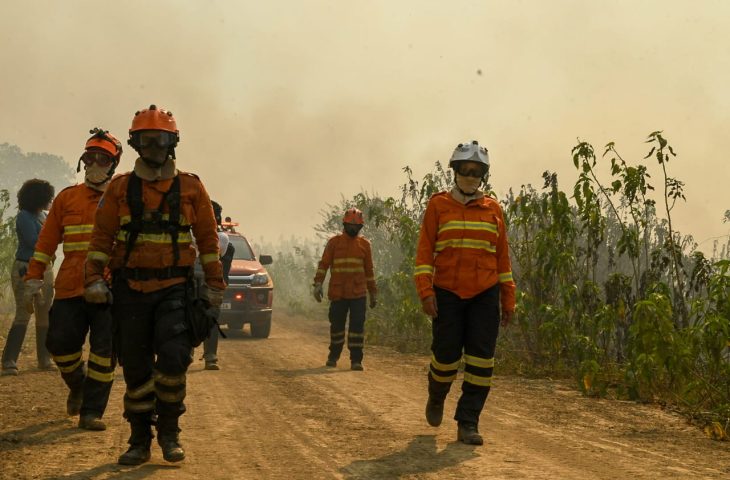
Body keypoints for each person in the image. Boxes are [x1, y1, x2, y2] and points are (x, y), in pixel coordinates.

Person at [84, 105, 224, 465]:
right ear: (136, 144)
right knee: (135, 367)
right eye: (146, 140)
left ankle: (170, 432)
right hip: (130, 290)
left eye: (161, 139)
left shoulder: (191, 187)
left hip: (174, 289)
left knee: (175, 359)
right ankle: (139, 439)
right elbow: (101, 240)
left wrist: (214, 288)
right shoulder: (119, 188)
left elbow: (208, 242)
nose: (154, 147)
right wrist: (93, 280)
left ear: (172, 142)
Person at [414, 140, 516, 445]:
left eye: (477, 171)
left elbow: (503, 260)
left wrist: (507, 299)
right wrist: (425, 292)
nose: (470, 176)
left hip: (485, 294)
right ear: (455, 171)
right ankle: (437, 394)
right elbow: (424, 254)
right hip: (446, 292)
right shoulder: (438, 205)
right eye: (465, 170)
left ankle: (468, 422)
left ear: (484, 175)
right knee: (445, 358)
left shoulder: (493, 209)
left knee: (482, 361)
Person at [24, 128, 123, 430]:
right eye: (89, 158)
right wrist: (34, 277)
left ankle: (92, 411)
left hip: (111, 289)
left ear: (113, 164)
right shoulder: (67, 199)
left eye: (102, 159)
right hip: (70, 286)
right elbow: (46, 243)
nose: (94, 164)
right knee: (59, 343)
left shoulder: (123, 198)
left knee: (104, 352)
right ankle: (78, 385)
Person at [1, 179, 55, 376]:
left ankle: (44, 358)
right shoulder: (24, 217)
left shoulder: (42, 215)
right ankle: (9, 361)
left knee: (44, 313)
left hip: (45, 267)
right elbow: (35, 241)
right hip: (26, 267)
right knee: (24, 313)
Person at [313, 207, 377, 371]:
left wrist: (373, 293)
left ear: (361, 227)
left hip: (358, 293)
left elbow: (369, 271)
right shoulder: (334, 243)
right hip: (338, 293)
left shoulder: (365, 245)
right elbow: (324, 265)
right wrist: (318, 284)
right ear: (345, 224)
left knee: (357, 328)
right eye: (351, 226)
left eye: (357, 227)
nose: (354, 229)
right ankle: (333, 356)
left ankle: (356, 360)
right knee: (337, 327)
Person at [201, 200, 234, 370]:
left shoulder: (221, 238)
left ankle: (210, 356)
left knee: (210, 319)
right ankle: (209, 357)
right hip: (200, 283)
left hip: (208, 284)